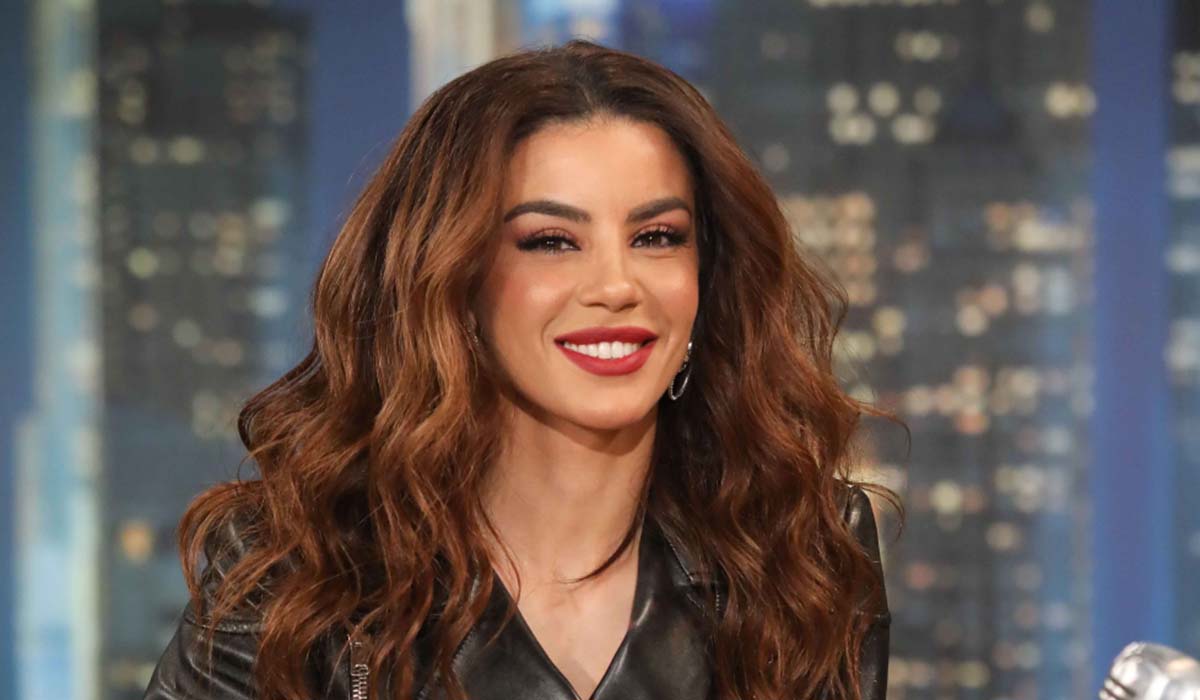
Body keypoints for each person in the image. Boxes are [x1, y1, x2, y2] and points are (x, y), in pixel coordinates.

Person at [143, 39, 901, 700]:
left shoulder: (801, 551)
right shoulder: (302, 564)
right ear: (453, 280)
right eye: (550, 242)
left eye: (658, 236)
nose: (617, 286)